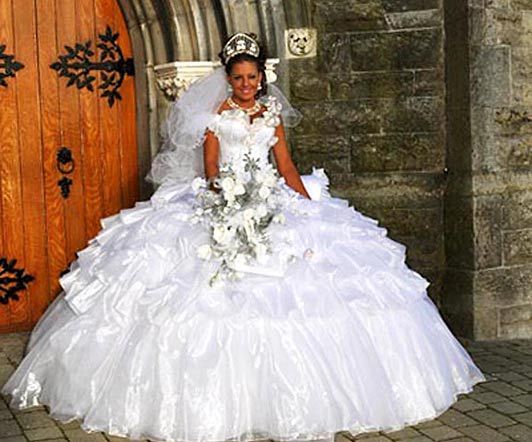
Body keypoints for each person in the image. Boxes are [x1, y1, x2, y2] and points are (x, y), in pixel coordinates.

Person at [2, 32, 485, 442]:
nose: (247, 85)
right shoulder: (216, 120)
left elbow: (287, 166)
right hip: (226, 199)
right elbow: (212, 172)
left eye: (254, 77)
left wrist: (312, 207)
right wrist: (231, 202)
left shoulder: (271, 115)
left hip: (273, 198)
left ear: (263, 78)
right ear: (227, 78)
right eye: (239, 78)